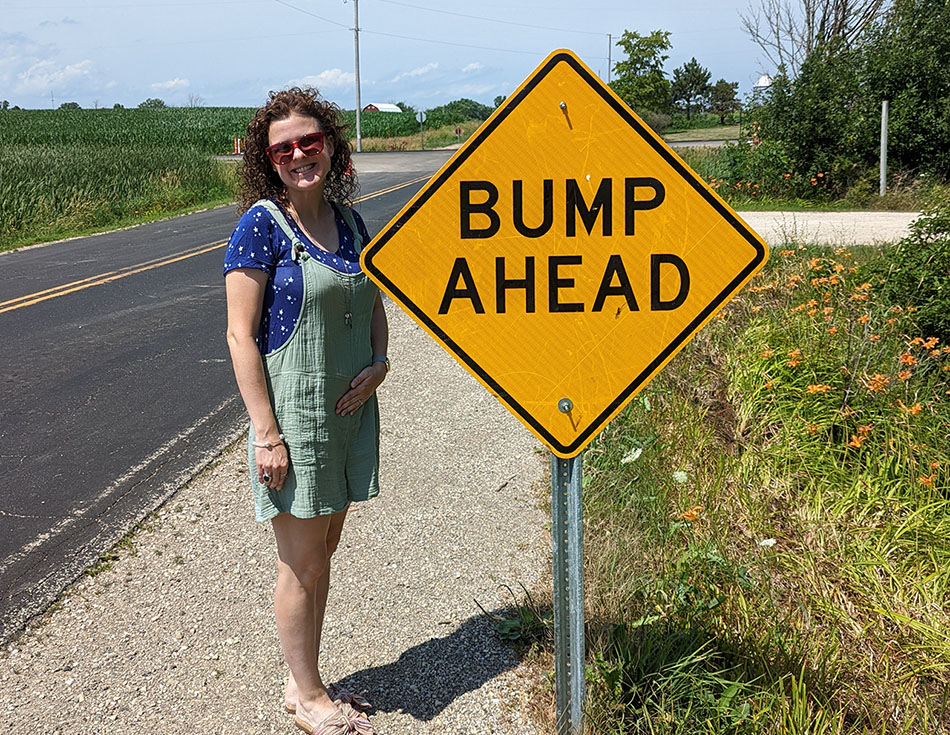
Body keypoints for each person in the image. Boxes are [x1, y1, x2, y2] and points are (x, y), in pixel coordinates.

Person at [223, 86, 387, 735]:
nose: (298, 154)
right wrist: (266, 434)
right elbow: (239, 334)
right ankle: (310, 695)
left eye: (309, 142)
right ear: (268, 159)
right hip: (293, 418)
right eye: (283, 147)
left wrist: (381, 362)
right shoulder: (262, 224)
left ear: (331, 147)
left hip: (348, 414)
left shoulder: (350, 223)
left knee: (327, 548)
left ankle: (303, 679)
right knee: (301, 560)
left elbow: (375, 302)